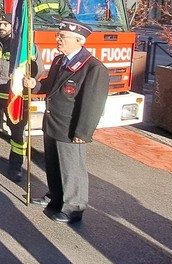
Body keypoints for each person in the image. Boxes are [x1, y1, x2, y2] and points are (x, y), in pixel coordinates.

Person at [23, 18, 109, 224]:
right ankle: (56, 196)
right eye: (58, 35)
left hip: (71, 128)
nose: (58, 39)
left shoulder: (92, 68)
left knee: (72, 169)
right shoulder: (59, 60)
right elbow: (51, 87)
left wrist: (83, 132)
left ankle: (74, 207)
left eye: (63, 37)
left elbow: (92, 104)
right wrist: (35, 85)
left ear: (79, 40)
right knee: (53, 165)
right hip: (53, 123)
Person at [0, 12, 42, 182]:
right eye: (0, 24)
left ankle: (15, 166)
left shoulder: (25, 47)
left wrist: (30, 81)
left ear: (14, 26)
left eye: (6, 25)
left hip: (14, 98)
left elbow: (37, 70)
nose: (1, 28)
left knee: (17, 133)